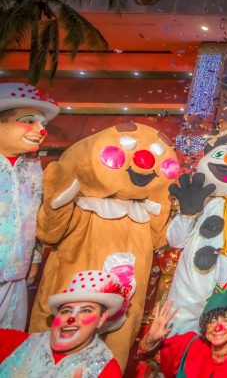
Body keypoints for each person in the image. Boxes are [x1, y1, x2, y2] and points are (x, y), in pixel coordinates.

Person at [31, 123, 180, 368]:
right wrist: (60, 196)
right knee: (52, 354)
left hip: (126, 302)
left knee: (113, 357)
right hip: (75, 300)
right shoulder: (84, 205)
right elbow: (49, 233)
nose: (144, 161)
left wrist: (162, 202)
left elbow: (159, 240)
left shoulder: (143, 212)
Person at [165, 118, 227, 335]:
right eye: (221, 154)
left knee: (225, 341)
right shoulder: (201, 201)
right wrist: (187, 215)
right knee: (180, 341)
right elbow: (175, 241)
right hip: (190, 291)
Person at [0, 82, 59, 329]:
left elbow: (34, 216)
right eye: (28, 121)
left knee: (10, 342)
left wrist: (33, 259)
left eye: (43, 124)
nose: (40, 130)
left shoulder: (33, 168)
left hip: (17, 276)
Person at [0, 267, 130, 377]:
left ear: (101, 318)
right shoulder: (16, 343)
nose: (71, 318)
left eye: (85, 310)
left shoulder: (107, 371)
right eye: (66, 311)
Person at [138, 282, 227, 378]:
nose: (217, 327)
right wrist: (151, 339)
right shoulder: (189, 344)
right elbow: (146, 358)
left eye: (226, 320)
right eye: (212, 321)